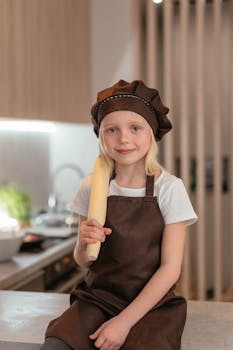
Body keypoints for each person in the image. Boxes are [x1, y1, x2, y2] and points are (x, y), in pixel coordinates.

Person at [41, 79, 198, 350]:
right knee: (57, 344)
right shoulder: (91, 187)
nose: (123, 138)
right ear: (101, 136)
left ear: (151, 133)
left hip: (152, 306)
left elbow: (170, 268)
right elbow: (84, 261)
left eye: (135, 128)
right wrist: (82, 243)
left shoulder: (169, 188)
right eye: (112, 129)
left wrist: (123, 322)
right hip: (96, 299)